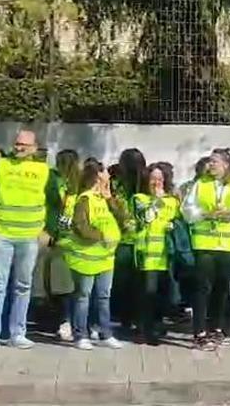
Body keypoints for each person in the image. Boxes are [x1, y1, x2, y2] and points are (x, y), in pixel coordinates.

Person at [0, 130, 62, 352]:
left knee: (23, 286)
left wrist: (50, 231)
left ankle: (18, 333)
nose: (19, 148)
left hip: (29, 237)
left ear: (35, 148)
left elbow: (56, 205)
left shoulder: (45, 172)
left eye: (24, 144)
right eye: (17, 144)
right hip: (1, 235)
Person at [181, 148, 230, 351]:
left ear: (226, 165)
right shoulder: (200, 184)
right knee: (202, 287)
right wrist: (204, 213)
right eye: (210, 162)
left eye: (215, 162)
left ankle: (217, 329)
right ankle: (199, 332)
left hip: (227, 246)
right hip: (205, 245)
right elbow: (187, 209)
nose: (211, 165)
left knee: (222, 287)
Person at [65, 160, 131, 351]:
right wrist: (101, 236)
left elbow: (122, 218)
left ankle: (105, 333)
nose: (109, 177)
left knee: (103, 296)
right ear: (97, 176)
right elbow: (79, 225)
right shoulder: (85, 199)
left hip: (105, 258)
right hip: (87, 257)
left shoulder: (105, 198)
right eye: (105, 174)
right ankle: (81, 335)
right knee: (83, 296)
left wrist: (110, 198)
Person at [133, 163, 181, 345]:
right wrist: (158, 200)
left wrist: (173, 226)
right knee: (147, 293)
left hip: (167, 256)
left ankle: (157, 326)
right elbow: (146, 217)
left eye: (160, 179)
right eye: (153, 179)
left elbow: (178, 221)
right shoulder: (140, 198)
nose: (156, 183)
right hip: (148, 256)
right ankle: (143, 330)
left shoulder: (173, 201)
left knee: (163, 295)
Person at [111, 148, 146, 336]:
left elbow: (117, 210)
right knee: (140, 285)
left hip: (123, 241)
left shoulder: (117, 185)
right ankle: (139, 321)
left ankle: (124, 320)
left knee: (122, 285)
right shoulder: (146, 184)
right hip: (143, 242)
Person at [50, 149, 82, 341]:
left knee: (64, 287)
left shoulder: (61, 184)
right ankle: (70, 322)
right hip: (73, 242)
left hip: (64, 241)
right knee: (74, 287)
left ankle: (66, 322)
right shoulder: (75, 186)